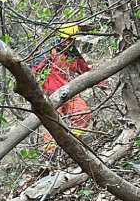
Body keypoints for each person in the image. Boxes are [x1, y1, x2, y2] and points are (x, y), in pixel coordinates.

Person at [31, 23, 97, 154]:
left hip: (68, 92)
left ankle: (73, 146)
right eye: (65, 39)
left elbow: (86, 70)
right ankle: (51, 155)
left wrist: (102, 82)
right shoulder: (49, 53)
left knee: (83, 115)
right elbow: (32, 72)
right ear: (60, 38)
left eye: (70, 40)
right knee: (54, 126)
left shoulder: (73, 55)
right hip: (51, 96)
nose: (67, 42)